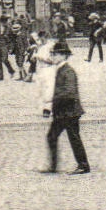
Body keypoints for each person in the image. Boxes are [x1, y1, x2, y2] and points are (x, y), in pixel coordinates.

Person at [42, 42, 90, 175]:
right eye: (52, 54)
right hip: (63, 112)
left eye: (55, 54)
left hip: (70, 112)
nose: (53, 56)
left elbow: (70, 92)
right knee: (52, 136)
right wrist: (49, 107)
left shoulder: (68, 71)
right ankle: (54, 166)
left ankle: (83, 165)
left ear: (64, 56)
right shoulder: (60, 70)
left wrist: (54, 98)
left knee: (73, 138)